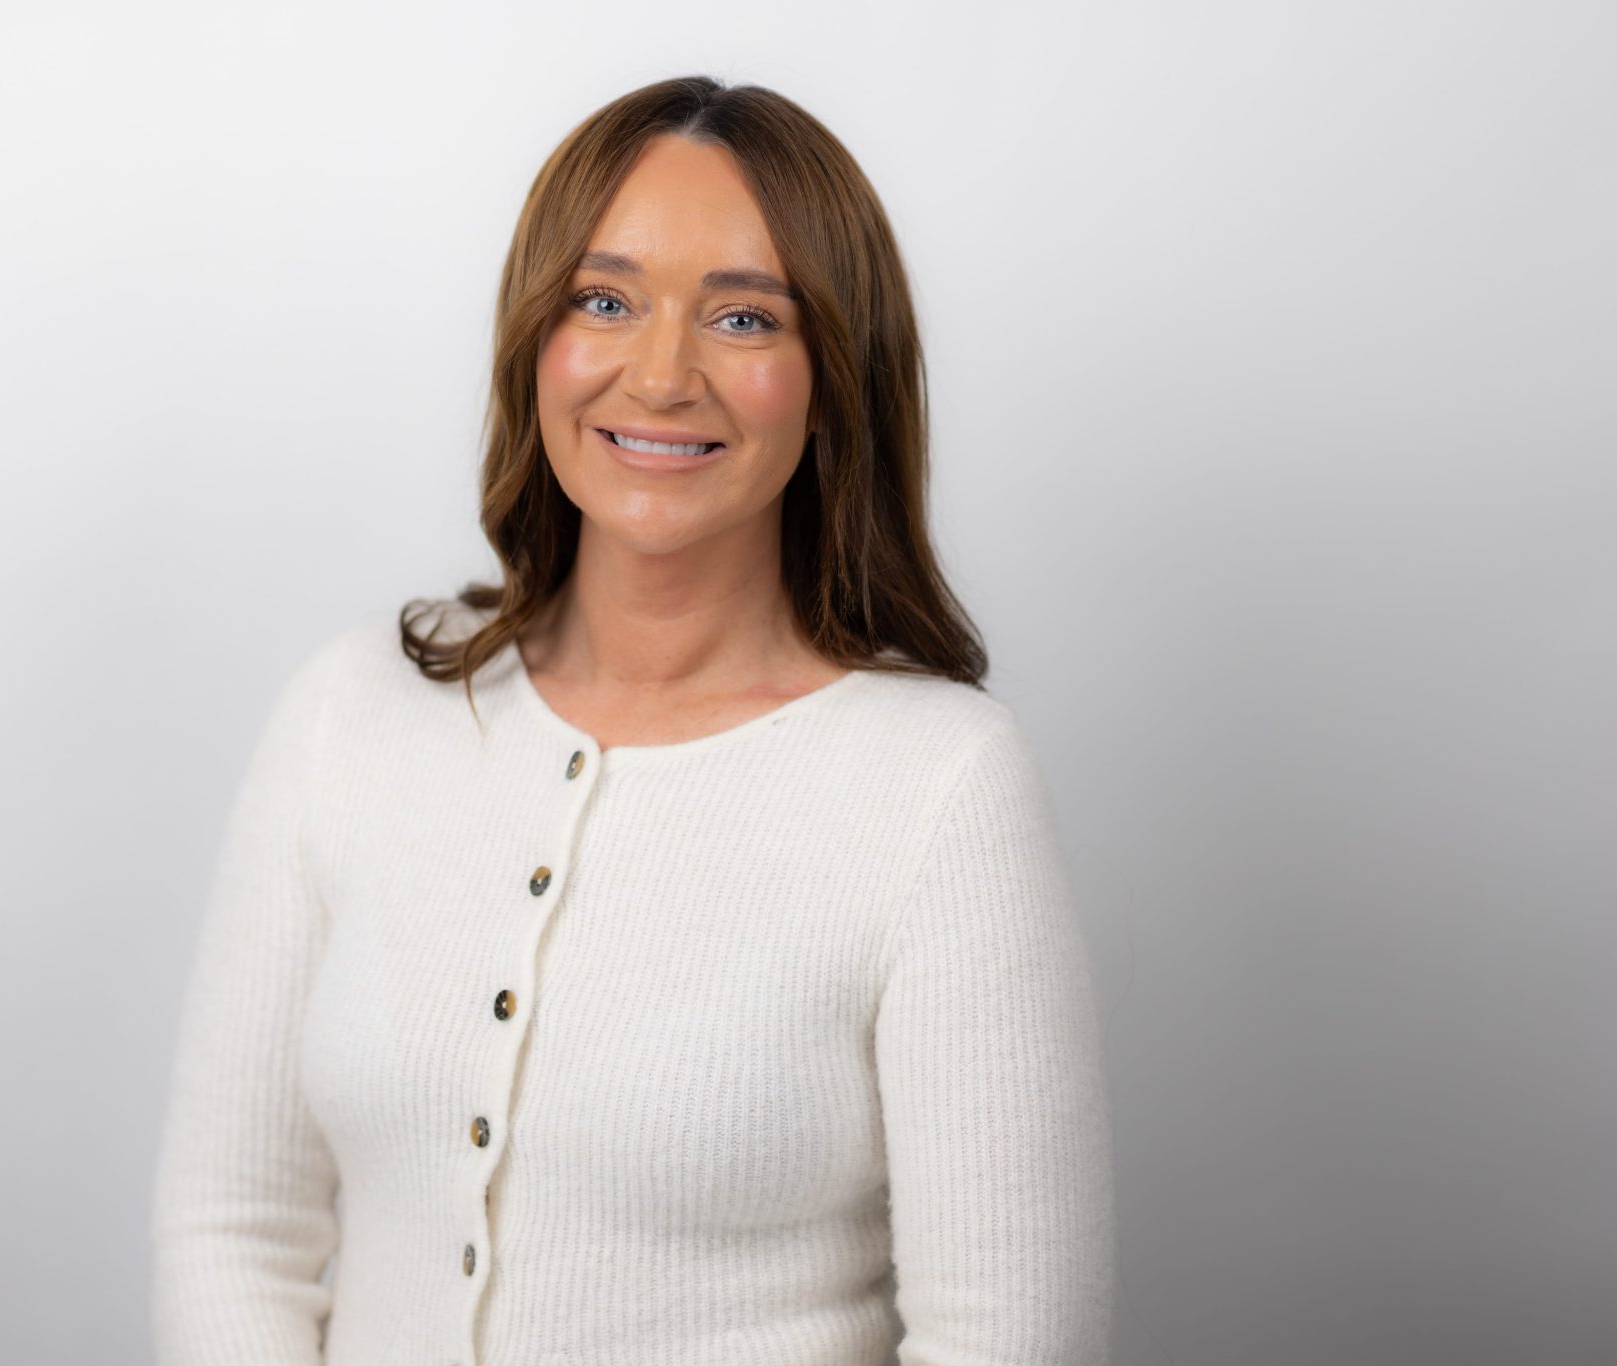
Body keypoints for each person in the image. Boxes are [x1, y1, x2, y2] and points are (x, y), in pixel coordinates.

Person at [150, 75, 1115, 1366]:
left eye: (741, 316)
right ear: (534, 343)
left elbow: (1006, 1336)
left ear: (832, 377)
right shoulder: (351, 714)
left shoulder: (938, 787)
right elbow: (233, 1224)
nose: (661, 374)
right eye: (603, 301)